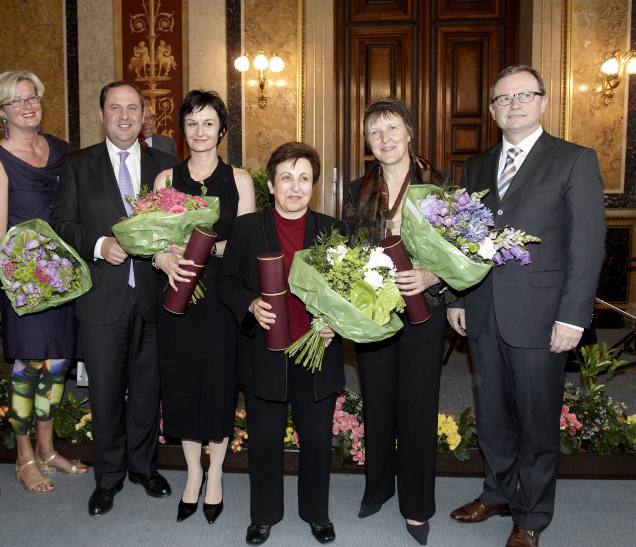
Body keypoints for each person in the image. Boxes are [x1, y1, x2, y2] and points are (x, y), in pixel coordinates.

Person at [447, 66, 605, 547]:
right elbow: (458, 240)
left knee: (537, 421)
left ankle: (532, 516)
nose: (513, 104)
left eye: (523, 95)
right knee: (491, 413)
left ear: (542, 102)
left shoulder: (575, 160)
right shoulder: (475, 167)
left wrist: (573, 316)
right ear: (492, 111)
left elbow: (588, 246)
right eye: (502, 99)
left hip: (542, 317)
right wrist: (456, 296)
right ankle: (496, 494)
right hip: (482, 312)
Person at [51, 81, 178, 516]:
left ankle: (144, 468)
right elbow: (61, 223)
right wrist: (100, 243)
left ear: (145, 115)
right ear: (101, 114)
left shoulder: (166, 166)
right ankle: (108, 478)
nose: (124, 116)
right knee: (105, 393)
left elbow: (180, 222)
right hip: (101, 298)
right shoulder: (76, 165)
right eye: (115, 108)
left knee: (147, 389)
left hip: (153, 295)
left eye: (133, 109)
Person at [219, 142, 344, 545]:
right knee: (266, 437)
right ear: (271, 184)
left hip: (316, 351)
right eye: (286, 178)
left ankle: (316, 513)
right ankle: (264, 514)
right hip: (265, 352)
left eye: (304, 178)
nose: (295, 187)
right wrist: (250, 303)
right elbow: (226, 282)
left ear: (314, 185)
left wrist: (337, 325)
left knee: (317, 437)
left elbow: (352, 293)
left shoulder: (332, 230)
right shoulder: (246, 228)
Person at [342, 98, 454, 546]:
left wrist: (432, 274)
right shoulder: (357, 189)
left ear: (409, 132)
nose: (384, 139)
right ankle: (378, 488)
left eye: (392, 129)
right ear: (367, 141)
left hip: (424, 306)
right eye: (374, 132)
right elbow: (347, 250)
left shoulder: (440, 183)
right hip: (375, 307)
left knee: (418, 403)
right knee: (377, 398)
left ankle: (417, 506)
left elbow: (460, 247)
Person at [0, 70, 85, 495]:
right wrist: (35, 282)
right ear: (0, 111)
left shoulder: (61, 150)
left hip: (65, 282)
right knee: (27, 370)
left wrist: (65, 275)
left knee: (56, 368)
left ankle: (47, 448)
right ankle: (23, 456)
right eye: (17, 100)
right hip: (27, 287)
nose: (28, 105)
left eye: (33, 96)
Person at [152, 90, 255, 523]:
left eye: (208, 123)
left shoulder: (241, 181)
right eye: (192, 123)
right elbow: (152, 240)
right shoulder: (164, 180)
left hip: (220, 296)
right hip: (178, 294)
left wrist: (208, 249)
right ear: (183, 129)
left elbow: (248, 246)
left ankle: (216, 475)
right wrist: (162, 257)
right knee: (181, 383)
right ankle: (193, 473)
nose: (199, 131)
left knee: (217, 384)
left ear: (222, 130)